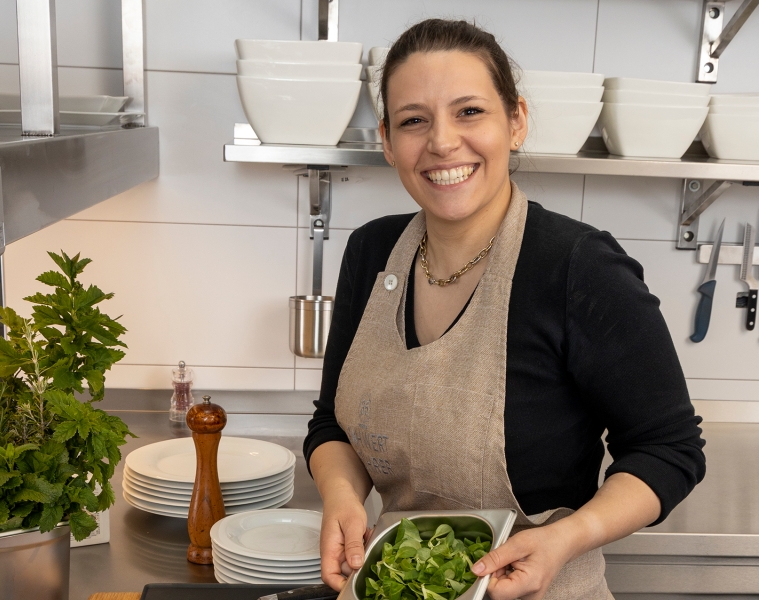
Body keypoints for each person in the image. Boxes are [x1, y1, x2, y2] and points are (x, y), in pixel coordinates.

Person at [303, 18, 706, 600]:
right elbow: (332, 423)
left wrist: (568, 537)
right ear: (388, 141)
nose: (442, 141)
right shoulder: (371, 251)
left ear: (515, 121)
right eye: (414, 120)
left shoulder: (578, 266)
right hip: (402, 585)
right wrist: (342, 498)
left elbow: (670, 449)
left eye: (469, 112)